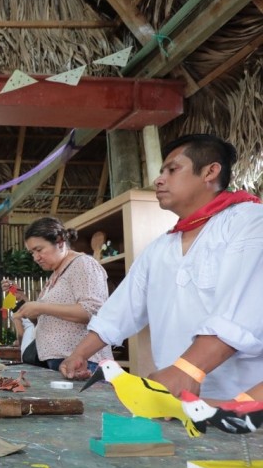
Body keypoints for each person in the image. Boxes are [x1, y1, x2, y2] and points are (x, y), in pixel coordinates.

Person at [61, 134, 263, 400]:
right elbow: (121, 309)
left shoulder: (250, 222)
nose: (159, 179)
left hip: (239, 403)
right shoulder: (160, 247)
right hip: (175, 396)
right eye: (161, 172)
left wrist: (188, 369)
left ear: (210, 171)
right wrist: (80, 354)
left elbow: (243, 310)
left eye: (172, 169)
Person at [7, 217, 113, 372]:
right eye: (32, 253)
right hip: (58, 360)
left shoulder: (83, 264)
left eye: (39, 250)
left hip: (82, 363)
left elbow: (92, 311)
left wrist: (42, 307)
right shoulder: (56, 275)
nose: (36, 258)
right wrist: (27, 304)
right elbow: (48, 317)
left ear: (60, 242)